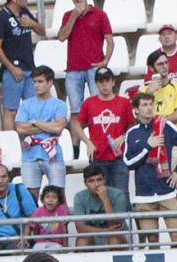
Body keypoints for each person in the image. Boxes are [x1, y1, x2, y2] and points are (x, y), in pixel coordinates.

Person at [123, 91, 177, 246]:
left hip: (167, 190)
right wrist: (148, 146)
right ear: (136, 109)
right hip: (144, 194)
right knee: (152, 240)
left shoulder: (164, 126)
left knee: (176, 237)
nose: (149, 108)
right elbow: (128, 163)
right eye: (144, 105)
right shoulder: (132, 134)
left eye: (151, 104)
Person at [58, 0, 113, 154]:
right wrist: (74, 17)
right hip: (73, 68)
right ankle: (75, 149)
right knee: (75, 110)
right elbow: (62, 37)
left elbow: (110, 40)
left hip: (94, 67)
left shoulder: (100, 14)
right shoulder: (68, 15)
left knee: (99, 107)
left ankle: (99, 144)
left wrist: (105, 61)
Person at [71, 67, 133, 195]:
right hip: (98, 156)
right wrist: (87, 142)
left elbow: (132, 126)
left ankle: (125, 216)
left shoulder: (124, 102)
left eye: (107, 80)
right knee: (99, 195)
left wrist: (123, 136)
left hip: (119, 157)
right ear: (96, 83)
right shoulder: (89, 103)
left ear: (113, 82)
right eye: (100, 81)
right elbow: (77, 124)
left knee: (122, 194)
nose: (104, 84)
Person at [15, 66, 68, 201]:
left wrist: (34, 122)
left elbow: (58, 128)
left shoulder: (59, 104)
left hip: (53, 155)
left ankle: (61, 223)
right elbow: (20, 128)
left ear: (50, 83)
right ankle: (34, 223)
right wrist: (47, 124)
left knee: (59, 196)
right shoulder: (26, 104)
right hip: (29, 156)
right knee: (30, 199)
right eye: (34, 82)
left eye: (40, 81)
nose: (36, 85)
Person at [0, 0, 44, 132]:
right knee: (11, 110)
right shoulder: (1, 17)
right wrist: (11, 68)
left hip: (29, 69)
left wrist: (32, 23)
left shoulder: (24, 12)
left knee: (32, 110)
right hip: (12, 71)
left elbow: (42, 31)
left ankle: (31, 144)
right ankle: (10, 145)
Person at [72, 164, 129, 248]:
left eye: (99, 180)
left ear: (104, 180)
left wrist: (105, 199)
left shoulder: (118, 194)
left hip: (117, 235)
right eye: (91, 181)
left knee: (114, 240)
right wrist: (106, 231)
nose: (96, 184)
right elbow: (80, 228)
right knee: (82, 242)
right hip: (92, 235)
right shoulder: (79, 197)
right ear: (85, 183)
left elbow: (115, 224)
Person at [141, 49, 177, 132]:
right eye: (160, 64)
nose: (165, 66)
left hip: (172, 134)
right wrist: (148, 94)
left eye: (166, 62)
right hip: (150, 135)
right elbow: (139, 117)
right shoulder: (144, 91)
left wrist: (156, 122)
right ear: (151, 68)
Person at [28, 184, 69, 250]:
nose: (50, 200)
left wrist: (66, 248)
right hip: (40, 243)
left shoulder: (61, 210)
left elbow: (65, 230)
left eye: (54, 197)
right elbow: (33, 227)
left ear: (58, 201)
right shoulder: (38, 211)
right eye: (47, 197)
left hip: (56, 244)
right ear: (43, 200)